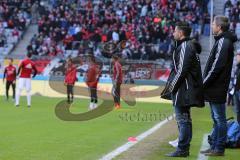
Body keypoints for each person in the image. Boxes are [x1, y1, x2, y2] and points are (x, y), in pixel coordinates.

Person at [161, 21, 204, 157]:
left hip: (183, 89)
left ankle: (182, 149)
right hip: (184, 88)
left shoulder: (185, 46)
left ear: (180, 33)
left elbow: (181, 70)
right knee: (185, 119)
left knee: (183, 120)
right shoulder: (186, 45)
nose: (173, 33)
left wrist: (171, 87)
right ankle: (183, 147)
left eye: (175, 31)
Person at [201, 16, 238, 156]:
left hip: (217, 87)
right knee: (216, 118)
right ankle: (215, 146)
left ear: (219, 27)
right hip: (216, 87)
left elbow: (216, 67)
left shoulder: (224, 41)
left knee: (219, 119)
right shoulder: (223, 41)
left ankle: (219, 148)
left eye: (213, 24)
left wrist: (203, 83)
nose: (211, 26)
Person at [233, 52, 240, 124]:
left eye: (238, 57)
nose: (236, 58)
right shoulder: (237, 67)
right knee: (237, 111)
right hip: (236, 91)